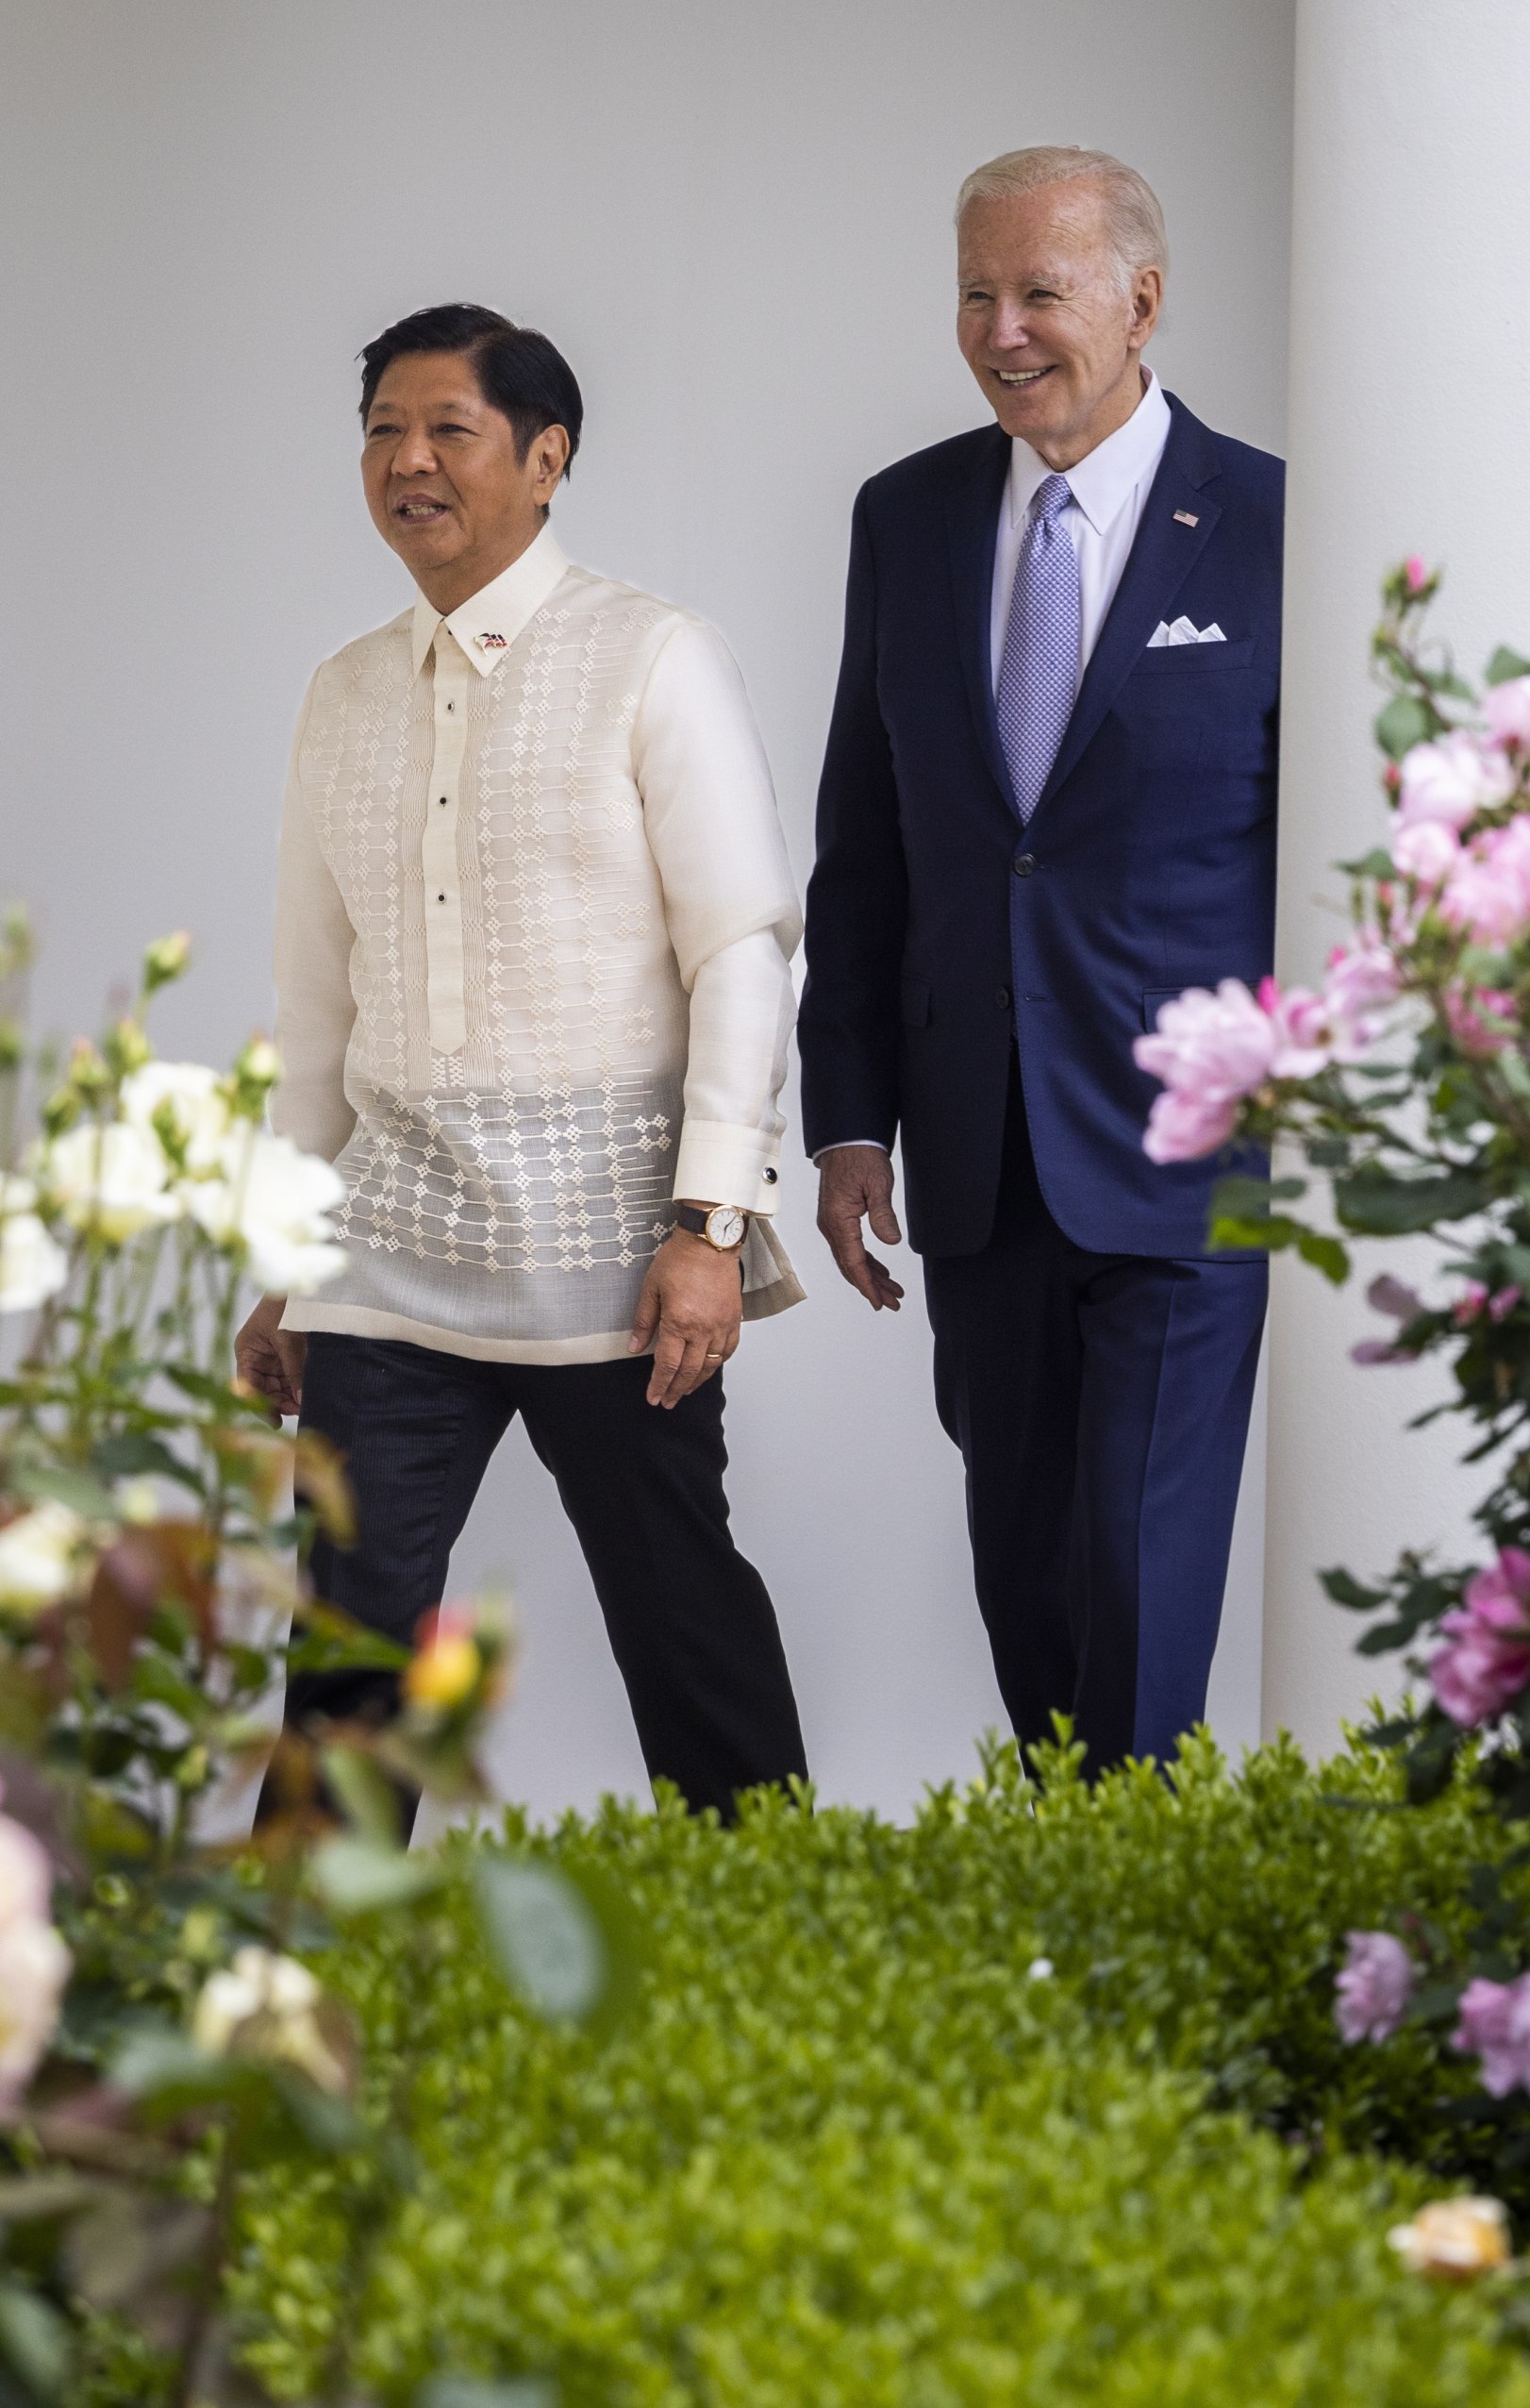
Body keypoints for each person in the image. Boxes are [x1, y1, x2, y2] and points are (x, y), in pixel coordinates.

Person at [237, 302, 811, 1816]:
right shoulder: (341, 692)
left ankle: (778, 1939)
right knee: (345, 1650)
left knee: (680, 1620)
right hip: (391, 1250)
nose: (407, 462)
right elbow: (314, 1009)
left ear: (546, 458)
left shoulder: (652, 656)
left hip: (615, 1259)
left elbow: (742, 949)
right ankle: (295, 2014)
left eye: (449, 431)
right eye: (382, 431)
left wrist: (709, 1227)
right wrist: (285, 1255)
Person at [798, 147, 1282, 1768]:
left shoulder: (1282, 523)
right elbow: (870, 847)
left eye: (1040, 294)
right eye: (974, 294)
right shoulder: (907, 517)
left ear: (1143, 302)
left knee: (1143, 1596)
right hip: (980, 1154)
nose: (1002, 332)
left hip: (1184, 1164)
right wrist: (851, 1120)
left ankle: (1141, 1937)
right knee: (1027, 1585)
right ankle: (1073, 1927)